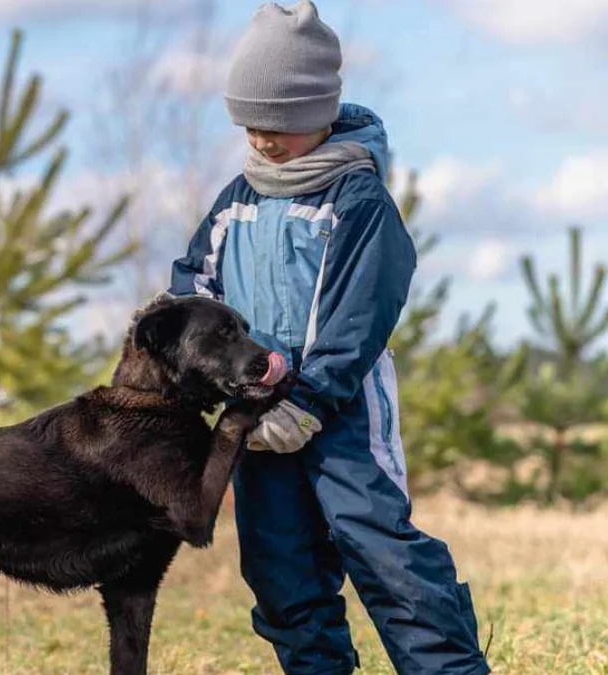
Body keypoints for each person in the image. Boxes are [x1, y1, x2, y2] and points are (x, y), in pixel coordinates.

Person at [165, 2, 491, 673]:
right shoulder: (234, 203)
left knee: (383, 553)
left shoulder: (356, 201)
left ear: (319, 111)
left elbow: (357, 315)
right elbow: (195, 290)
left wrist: (307, 399)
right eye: (250, 124)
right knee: (279, 565)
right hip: (258, 420)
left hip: (341, 412)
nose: (262, 139)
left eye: (278, 124)